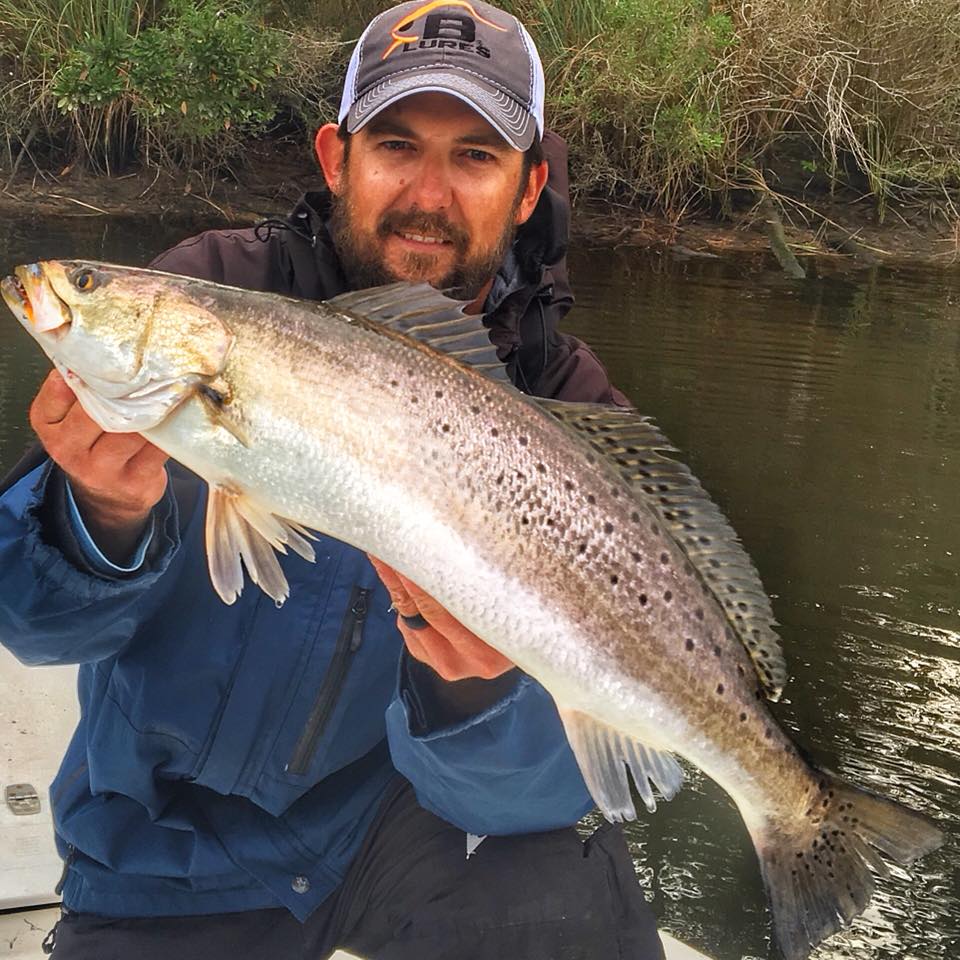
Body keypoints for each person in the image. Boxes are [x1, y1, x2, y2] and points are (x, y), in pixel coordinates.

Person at [0, 2, 662, 958]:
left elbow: (554, 791)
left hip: (418, 832)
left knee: (574, 902)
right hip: (171, 854)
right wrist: (99, 511)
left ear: (529, 190)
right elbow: (33, 627)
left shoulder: (569, 403)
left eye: (476, 156)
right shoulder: (212, 287)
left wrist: (478, 697)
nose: (428, 193)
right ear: (335, 157)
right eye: (396, 143)